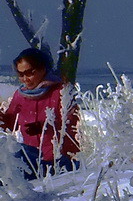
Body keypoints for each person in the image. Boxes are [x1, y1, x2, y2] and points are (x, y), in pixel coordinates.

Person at [1, 48, 80, 179]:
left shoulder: (61, 92)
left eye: (30, 73)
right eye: (21, 74)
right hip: (33, 157)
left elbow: (72, 123)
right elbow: (10, 125)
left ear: (43, 69)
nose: (25, 79)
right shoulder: (21, 95)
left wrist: (45, 126)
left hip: (60, 161)